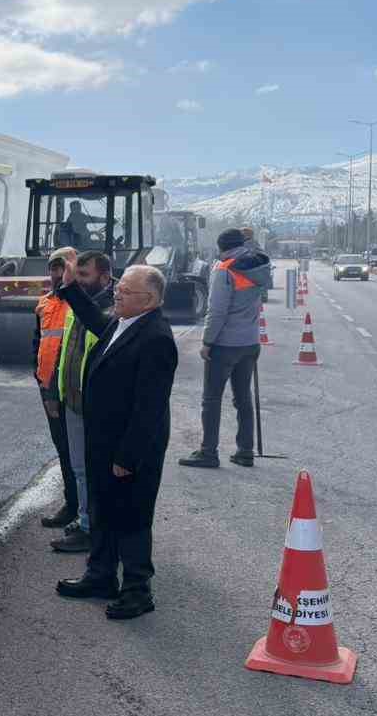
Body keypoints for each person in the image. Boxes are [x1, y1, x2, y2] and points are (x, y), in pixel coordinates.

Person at [53, 262, 179, 619]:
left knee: (132, 518)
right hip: (103, 441)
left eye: (125, 291)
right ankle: (100, 575)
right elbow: (96, 320)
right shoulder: (123, 322)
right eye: (118, 288)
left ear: (150, 300)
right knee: (102, 510)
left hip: (129, 448)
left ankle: (138, 590)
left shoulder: (156, 338)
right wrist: (71, 289)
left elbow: (149, 407)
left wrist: (127, 456)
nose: (116, 294)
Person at [181, 228, 272, 468]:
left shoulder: (224, 269)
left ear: (222, 248)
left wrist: (207, 342)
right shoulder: (259, 266)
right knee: (243, 397)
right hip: (250, 342)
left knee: (211, 400)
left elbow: (217, 311)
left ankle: (208, 452)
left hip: (225, 344)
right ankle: (245, 451)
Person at [50, 250, 115, 554]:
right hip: (73, 399)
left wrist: (71, 289)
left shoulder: (114, 309)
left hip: (97, 406)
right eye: (77, 276)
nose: (79, 281)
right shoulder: (78, 303)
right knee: (80, 469)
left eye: (84, 276)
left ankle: (93, 530)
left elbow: (98, 327)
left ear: (105, 277)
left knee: (94, 470)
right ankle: (87, 520)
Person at [34, 248, 79, 531]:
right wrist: (46, 392)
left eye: (62, 268)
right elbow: (38, 349)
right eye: (53, 268)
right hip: (53, 391)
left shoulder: (83, 304)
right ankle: (72, 505)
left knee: (83, 456)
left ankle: (87, 511)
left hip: (76, 392)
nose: (57, 274)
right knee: (64, 450)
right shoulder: (44, 304)